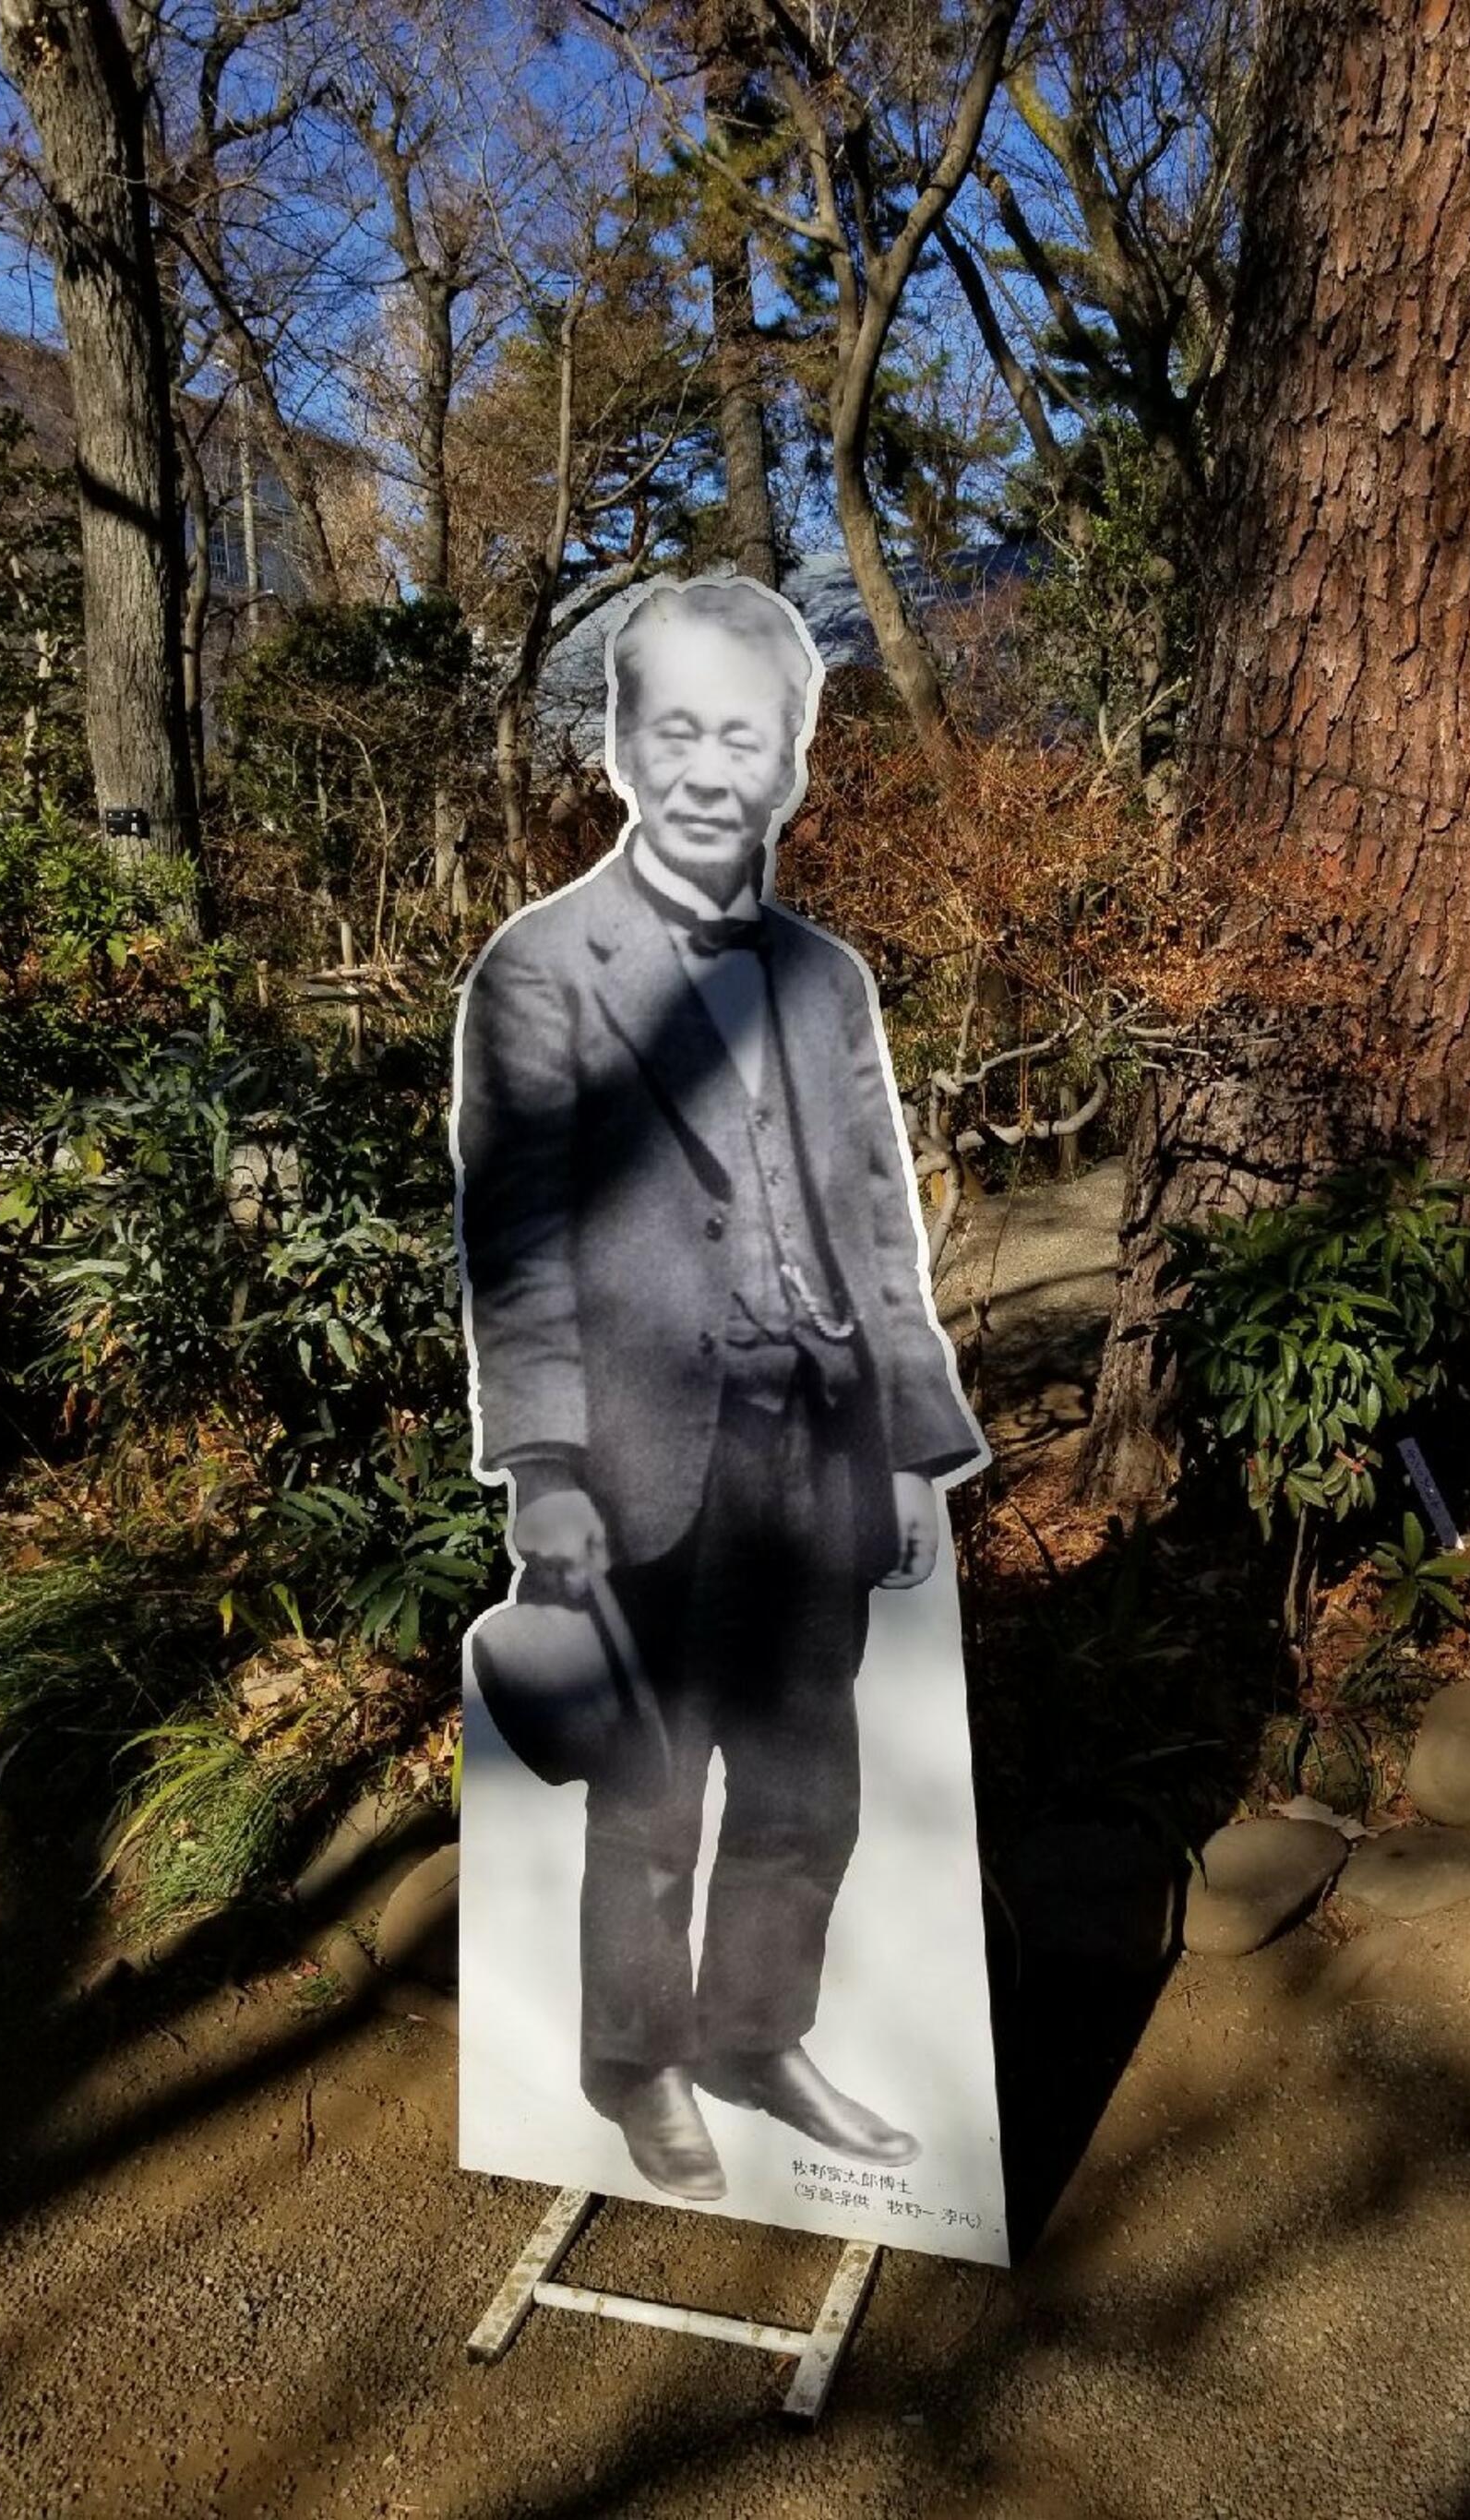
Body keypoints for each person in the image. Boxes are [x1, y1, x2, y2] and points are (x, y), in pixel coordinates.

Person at [455, 574, 984, 2203]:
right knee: (653, 1793)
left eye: (740, 736)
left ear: (792, 762)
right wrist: (542, 1460)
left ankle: (762, 2033)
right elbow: (519, 1236)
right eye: (671, 728)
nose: (705, 767)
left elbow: (880, 1218)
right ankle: (639, 2065)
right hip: (638, 1457)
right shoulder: (543, 970)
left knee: (808, 1778)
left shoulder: (826, 983)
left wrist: (908, 1445)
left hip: (817, 1444)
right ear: (619, 747)